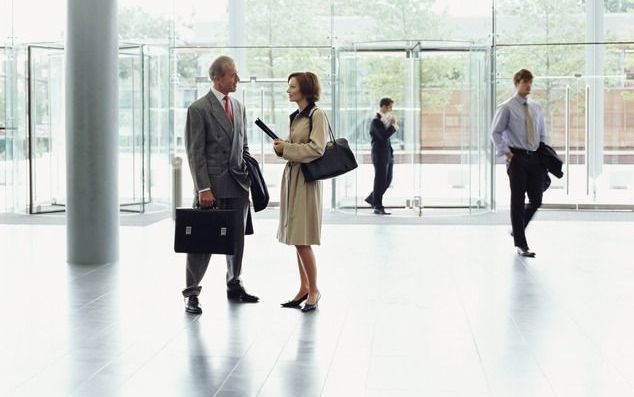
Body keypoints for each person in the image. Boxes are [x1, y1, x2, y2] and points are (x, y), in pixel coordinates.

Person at [182, 55, 259, 314]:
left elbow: (244, 145)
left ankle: (234, 282)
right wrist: (203, 188)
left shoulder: (238, 107)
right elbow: (195, 152)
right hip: (211, 187)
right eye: (233, 75)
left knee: (237, 239)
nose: (237, 79)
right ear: (217, 77)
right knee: (202, 241)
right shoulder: (199, 109)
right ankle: (191, 293)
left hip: (238, 184)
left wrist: (248, 176)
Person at [273, 72, 328, 312]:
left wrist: (288, 148)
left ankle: (314, 290)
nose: (288, 90)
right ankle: (304, 287)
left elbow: (317, 149)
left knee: (302, 238)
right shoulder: (296, 116)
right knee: (297, 237)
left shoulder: (317, 115)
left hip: (306, 181)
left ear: (305, 89)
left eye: (292, 86)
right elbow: (296, 146)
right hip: (294, 178)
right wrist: (282, 148)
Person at [491, 69, 547, 257]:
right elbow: (495, 132)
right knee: (517, 200)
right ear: (517, 83)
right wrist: (507, 153)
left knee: (536, 199)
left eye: (531, 82)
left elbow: (541, 132)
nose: (529, 86)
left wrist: (543, 153)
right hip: (516, 158)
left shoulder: (535, 107)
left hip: (534, 157)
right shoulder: (506, 107)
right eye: (525, 82)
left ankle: (517, 229)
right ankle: (521, 244)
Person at [365, 97, 398, 215]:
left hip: (387, 155)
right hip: (379, 155)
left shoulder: (385, 120)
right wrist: (393, 126)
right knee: (380, 180)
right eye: (389, 107)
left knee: (388, 180)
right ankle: (378, 206)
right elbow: (383, 136)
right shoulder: (376, 121)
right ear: (384, 106)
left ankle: (372, 199)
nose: (390, 110)